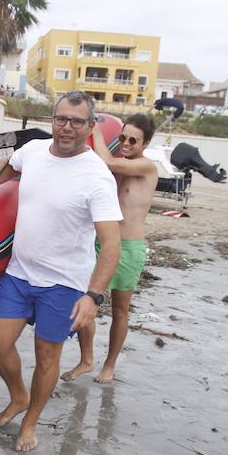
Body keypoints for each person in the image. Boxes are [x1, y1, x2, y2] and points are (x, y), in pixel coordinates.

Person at [0, 91, 122, 452]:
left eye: (76, 121)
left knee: (46, 356)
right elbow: (11, 163)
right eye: (60, 119)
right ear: (52, 119)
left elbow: (111, 246)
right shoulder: (35, 149)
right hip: (20, 272)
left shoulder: (98, 177)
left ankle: (31, 422)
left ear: (90, 126)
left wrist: (93, 297)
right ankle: (18, 396)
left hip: (64, 283)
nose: (66, 127)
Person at [62, 114, 158, 385]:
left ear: (145, 143)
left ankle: (110, 365)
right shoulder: (117, 167)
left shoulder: (145, 167)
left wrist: (99, 132)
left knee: (119, 310)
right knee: (85, 299)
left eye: (133, 140)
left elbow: (107, 160)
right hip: (101, 242)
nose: (126, 143)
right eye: (122, 138)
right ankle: (86, 359)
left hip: (129, 247)